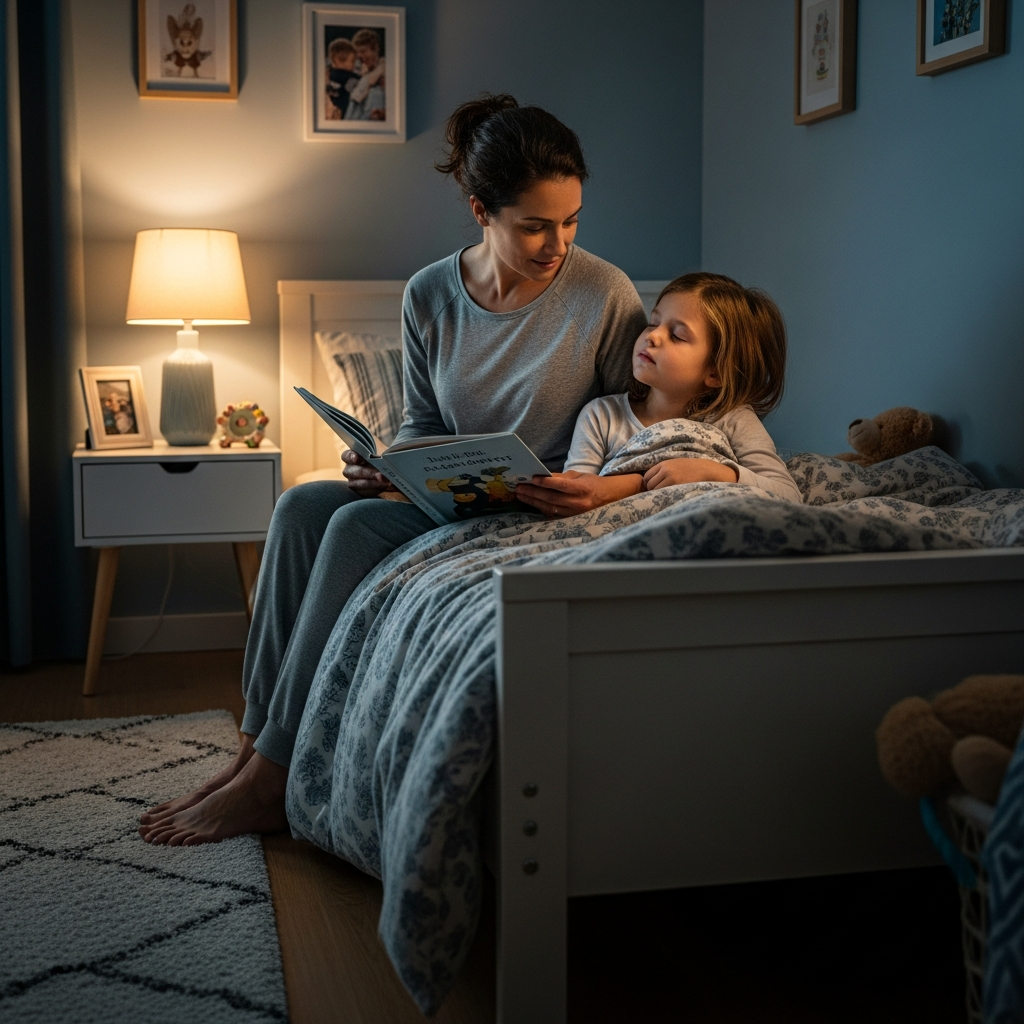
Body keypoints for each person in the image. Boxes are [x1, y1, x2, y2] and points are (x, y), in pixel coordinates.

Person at [137, 93, 649, 846]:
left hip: (546, 501)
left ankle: (271, 779)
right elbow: (423, 425)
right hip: (456, 491)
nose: (557, 243)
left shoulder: (604, 295)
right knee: (303, 508)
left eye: (571, 221)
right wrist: (390, 466)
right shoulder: (430, 294)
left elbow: (635, 427)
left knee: (351, 529)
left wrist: (592, 484)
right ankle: (252, 747)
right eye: (535, 225)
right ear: (481, 209)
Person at [515, 272, 803, 515]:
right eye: (653, 323)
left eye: (677, 335)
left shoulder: (732, 420)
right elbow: (579, 494)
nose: (652, 335)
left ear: (715, 372)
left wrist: (715, 472)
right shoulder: (602, 416)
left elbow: (788, 495)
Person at [344, 28, 386, 121]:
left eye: (363, 51)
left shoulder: (385, 67)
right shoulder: (359, 72)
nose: (359, 56)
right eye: (357, 52)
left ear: (375, 49)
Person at [325, 37, 360, 119]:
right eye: (352, 61)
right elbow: (358, 85)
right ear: (341, 61)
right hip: (344, 113)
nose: (354, 65)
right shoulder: (349, 77)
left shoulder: (328, 74)